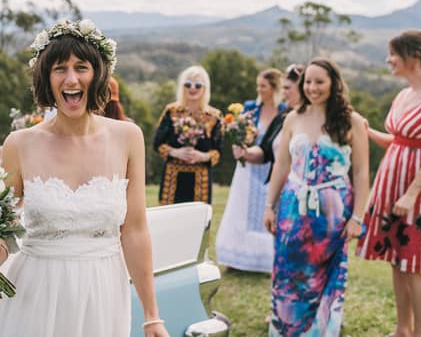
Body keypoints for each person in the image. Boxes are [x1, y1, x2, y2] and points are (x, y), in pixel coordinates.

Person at [0, 19, 169, 337]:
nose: (71, 78)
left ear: (98, 74)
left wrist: (152, 316)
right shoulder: (19, 144)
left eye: (81, 67)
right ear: (47, 78)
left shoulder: (128, 137)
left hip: (102, 293)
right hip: (34, 293)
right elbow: (2, 231)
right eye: (60, 68)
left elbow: (135, 230)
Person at [263, 58, 369, 335]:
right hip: (292, 209)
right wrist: (269, 206)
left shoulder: (352, 121)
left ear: (334, 83)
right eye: (307, 81)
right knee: (288, 275)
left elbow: (360, 173)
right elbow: (282, 165)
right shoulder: (292, 118)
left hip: (333, 214)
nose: (312, 87)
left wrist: (357, 217)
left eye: (319, 81)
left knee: (325, 278)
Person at [356, 30, 421, 337]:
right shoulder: (403, 95)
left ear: (413, 56)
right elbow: (399, 141)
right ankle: (402, 329)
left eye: (393, 54)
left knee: (414, 265)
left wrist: (410, 195)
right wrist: (367, 131)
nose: (388, 60)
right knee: (395, 260)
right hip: (390, 184)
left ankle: (420, 334)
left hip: (419, 192)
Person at [216, 68, 283, 273]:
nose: (259, 90)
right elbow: (239, 131)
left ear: (274, 88)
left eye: (263, 86)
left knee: (266, 210)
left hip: (269, 168)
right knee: (241, 209)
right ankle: (237, 259)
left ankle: (264, 261)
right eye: (258, 85)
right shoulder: (250, 108)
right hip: (247, 168)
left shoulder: (284, 111)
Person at [153, 66, 223, 204]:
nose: (192, 88)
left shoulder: (215, 116)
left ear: (205, 88)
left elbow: (218, 151)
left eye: (198, 85)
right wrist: (175, 152)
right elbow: (157, 144)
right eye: (187, 84)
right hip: (172, 179)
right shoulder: (171, 111)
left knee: (196, 222)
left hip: (201, 180)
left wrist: (203, 156)